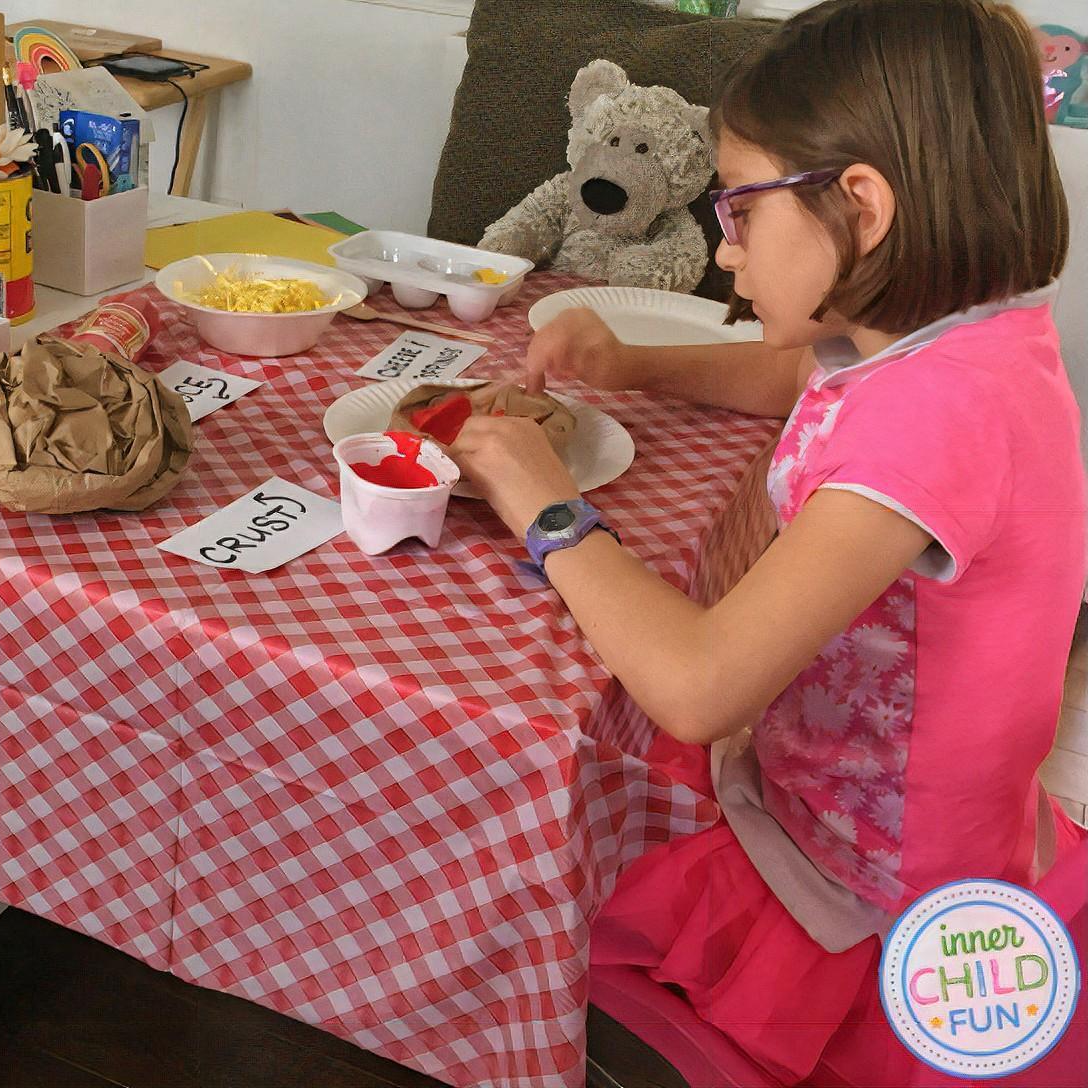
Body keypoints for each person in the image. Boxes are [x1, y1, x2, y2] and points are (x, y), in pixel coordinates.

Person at [448, 0, 1087, 1081]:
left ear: (860, 206)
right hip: (853, 786)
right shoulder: (949, 334)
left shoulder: (935, 422)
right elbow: (799, 376)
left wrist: (542, 497)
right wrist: (634, 361)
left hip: (870, 880)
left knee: (557, 921)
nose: (721, 244)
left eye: (739, 210)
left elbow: (695, 687)